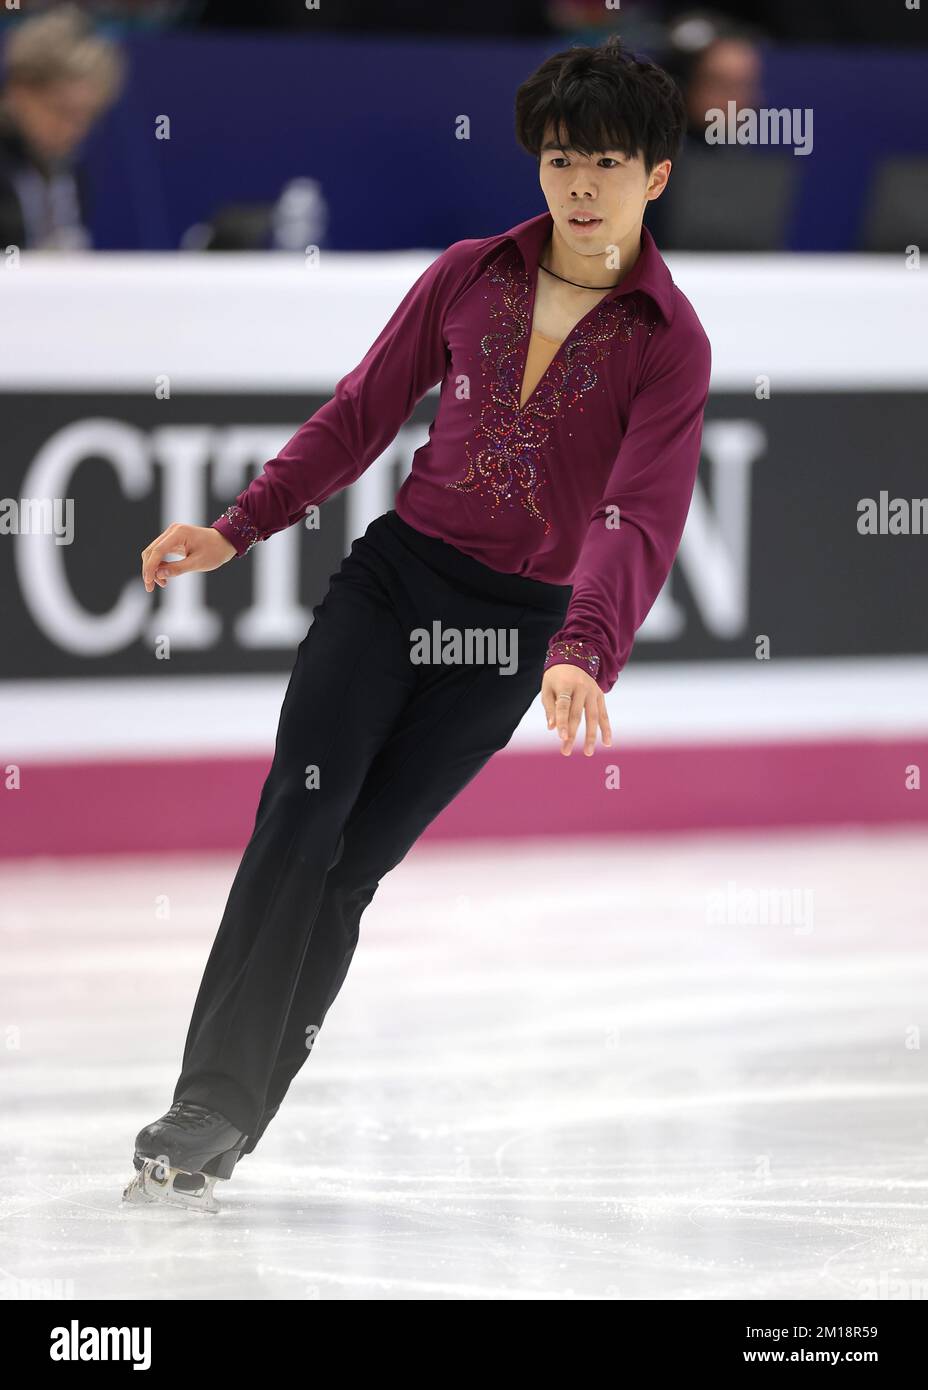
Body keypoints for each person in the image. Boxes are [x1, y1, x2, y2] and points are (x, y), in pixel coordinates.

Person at [126, 32, 711, 1211]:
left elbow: (635, 517)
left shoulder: (670, 341)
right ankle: (207, 1104)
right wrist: (240, 524)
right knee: (297, 823)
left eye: (605, 161)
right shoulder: (469, 274)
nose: (579, 186)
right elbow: (360, 414)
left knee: (350, 869)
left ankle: (237, 1113)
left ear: (655, 174)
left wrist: (582, 648)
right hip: (391, 588)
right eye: (559, 160)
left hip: (510, 634)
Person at [0, 5, 124, 251]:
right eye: (62, 111)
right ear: (19, 92)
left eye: (87, 115)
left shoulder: (69, 172)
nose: (75, 129)